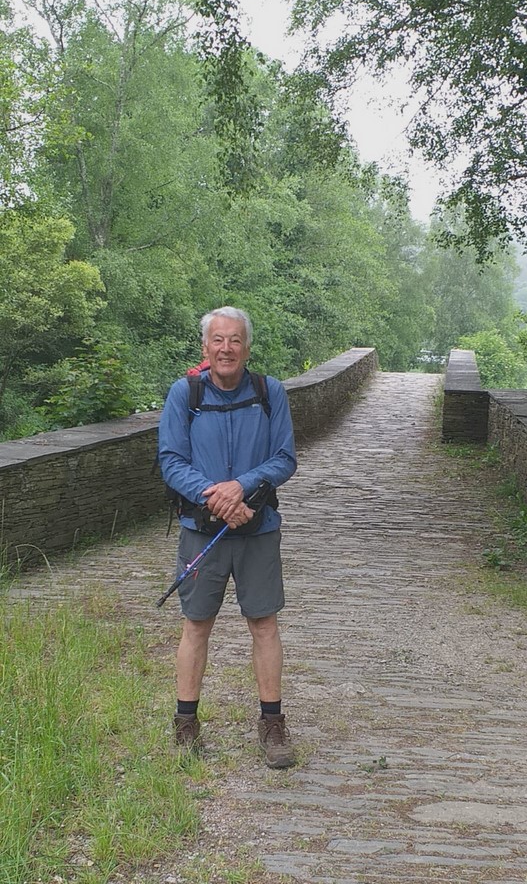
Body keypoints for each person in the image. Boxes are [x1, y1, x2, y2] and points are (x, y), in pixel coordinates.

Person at [158, 306, 298, 768]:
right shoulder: (185, 394)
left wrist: (242, 486)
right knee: (196, 624)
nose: (226, 348)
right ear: (205, 347)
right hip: (202, 531)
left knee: (264, 624)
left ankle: (272, 724)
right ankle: (185, 723)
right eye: (218, 340)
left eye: (235, 340)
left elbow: (285, 458)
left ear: (247, 347)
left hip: (259, 529)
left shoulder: (269, 391)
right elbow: (171, 460)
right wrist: (217, 498)